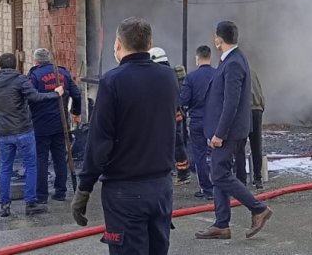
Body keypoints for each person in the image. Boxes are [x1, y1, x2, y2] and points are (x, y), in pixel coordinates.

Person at [72, 18, 179, 255]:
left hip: (125, 194)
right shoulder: (168, 78)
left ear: (118, 44)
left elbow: (100, 141)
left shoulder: (112, 81)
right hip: (161, 189)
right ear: (149, 44)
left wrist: (84, 188)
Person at [195, 21, 272, 240]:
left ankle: (258, 208)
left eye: (215, 37)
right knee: (221, 174)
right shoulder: (232, 60)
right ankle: (221, 224)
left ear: (218, 39)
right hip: (229, 131)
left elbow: (231, 103)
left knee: (219, 174)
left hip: (228, 133)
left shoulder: (234, 63)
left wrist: (219, 133)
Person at [0, 53, 64, 218]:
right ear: (15, 65)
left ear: (0, 66)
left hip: (4, 132)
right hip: (23, 131)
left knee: (5, 168)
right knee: (31, 166)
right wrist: (56, 94)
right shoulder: (20, 80)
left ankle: (4, 206)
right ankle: (30, 203)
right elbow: (35, 97)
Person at [27, 48, 82, 203]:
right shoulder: (63, 73)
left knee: (41, 159)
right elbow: (76, 94)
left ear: (36, 60)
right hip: (61, 123)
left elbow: (30, 98)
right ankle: (61, 192)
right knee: (59, 157)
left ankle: (42, 196)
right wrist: (76, 112)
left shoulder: (34, 76)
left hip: (41, 124)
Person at [150, 46, 191, 185]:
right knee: (177, 144)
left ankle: (179, 173)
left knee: (165, 144)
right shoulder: (172, 74)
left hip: (165, 115)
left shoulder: (159, 75)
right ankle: (183, 173)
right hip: (176, 114)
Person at [180, 45, 216, 199]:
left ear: (197, 58)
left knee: (200, 155)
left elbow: (183, 100)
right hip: (215, 120)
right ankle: (220, 188)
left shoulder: (191, 77)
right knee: (218, 154)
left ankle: (206, 190)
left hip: (197, 120)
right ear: (210, 57)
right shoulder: (218, 74)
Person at [235, 68, 265, 189]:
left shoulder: (234, 71)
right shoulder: (252, 71)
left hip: (243, 110)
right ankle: (258, 179)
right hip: (257, 109)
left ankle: (241, 181)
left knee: (239, 146)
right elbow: (260, 91)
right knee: (256, 145)